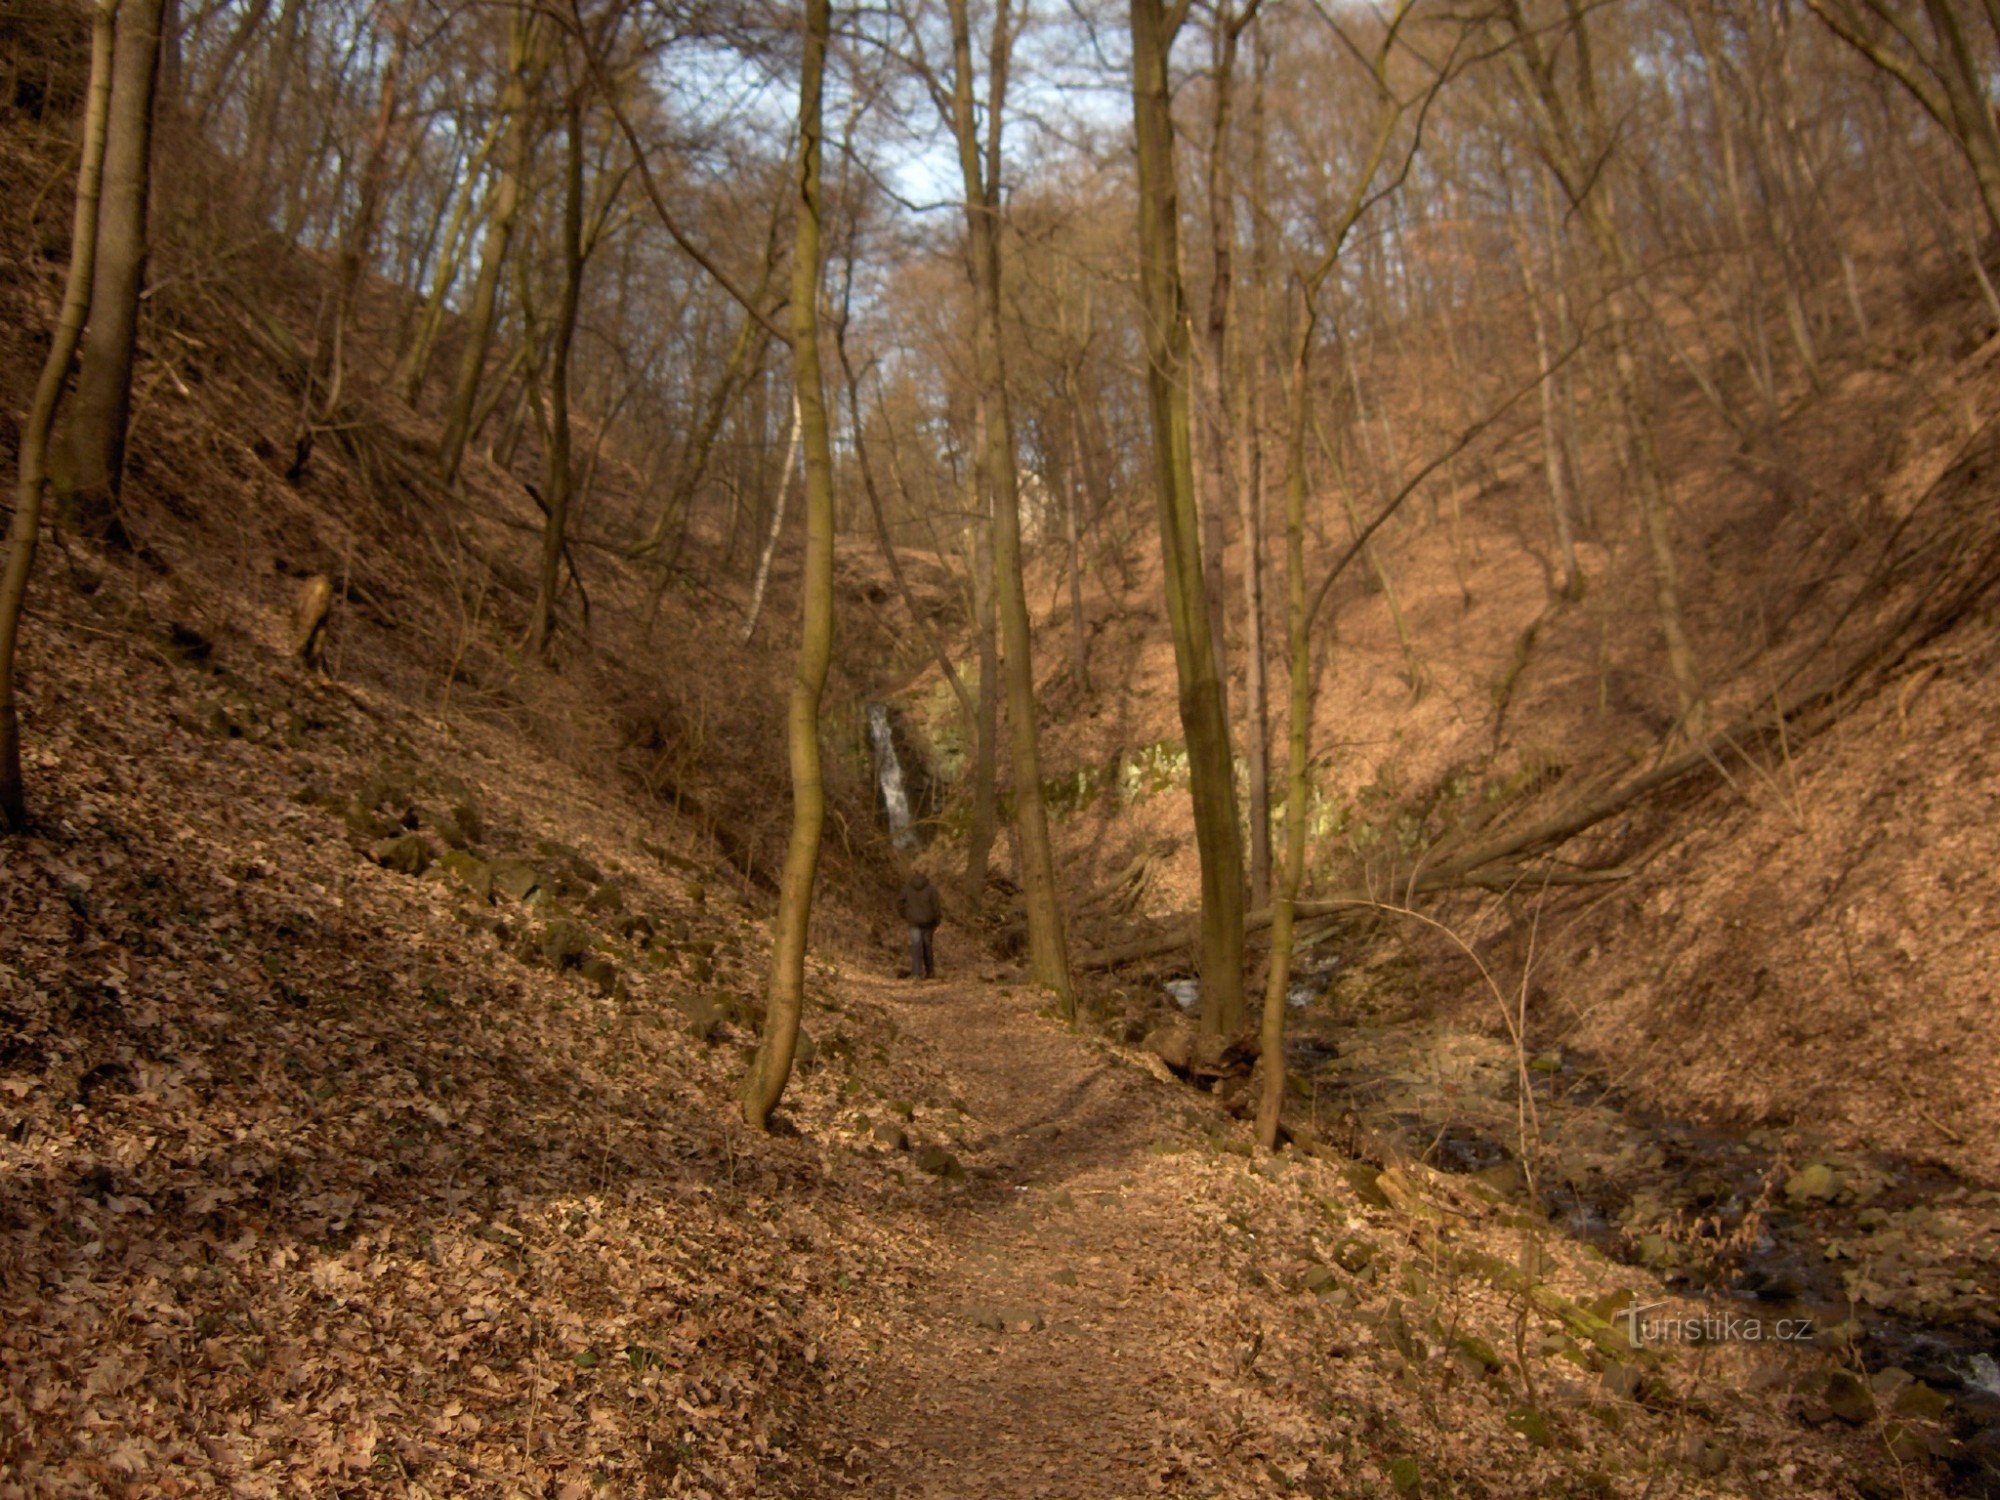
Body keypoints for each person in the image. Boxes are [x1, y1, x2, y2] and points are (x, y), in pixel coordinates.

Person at [898, 870, 942, 980]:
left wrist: (905, 915)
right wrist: (937, 922)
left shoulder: (907, 888)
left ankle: (917, 973)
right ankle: (930, 972)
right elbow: (936, 907)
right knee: (927, 946)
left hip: (913, 922)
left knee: (915, 946)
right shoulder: (931, 889)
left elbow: (899, 903)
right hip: (928, 922)